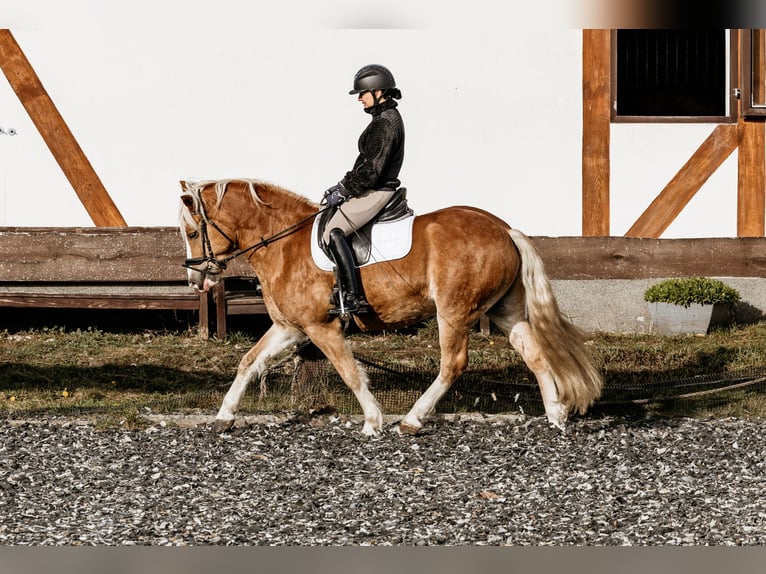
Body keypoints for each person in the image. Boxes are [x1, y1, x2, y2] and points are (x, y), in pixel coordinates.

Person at [322, 64, 405, 316]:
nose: (359, 98)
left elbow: (371, 171)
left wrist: (345, 189)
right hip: (373, 188)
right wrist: (342, 185)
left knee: (332, 232)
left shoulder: (385, 123)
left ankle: (351, 296)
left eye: (362, 93)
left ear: (378, 91)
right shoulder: (383, 119)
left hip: (378, 190)